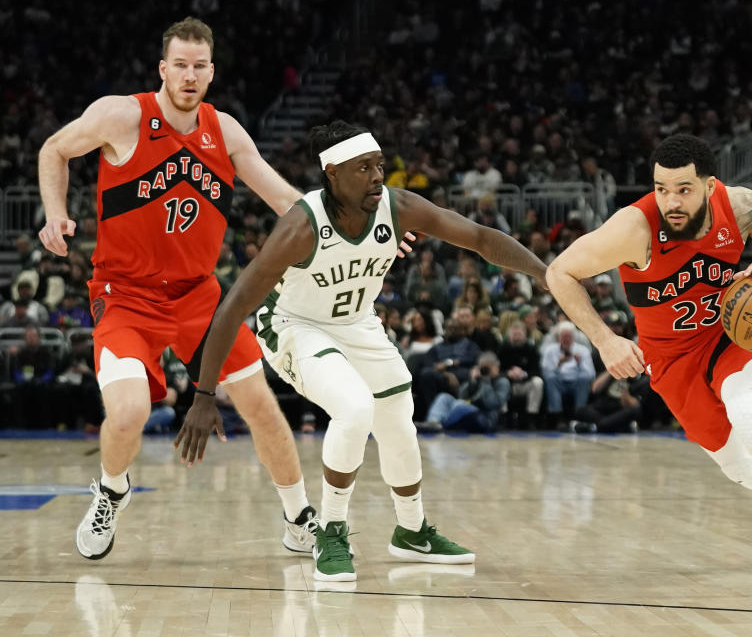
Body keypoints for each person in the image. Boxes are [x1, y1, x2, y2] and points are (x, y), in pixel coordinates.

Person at [178, 120, 548, 582]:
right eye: (364, 168)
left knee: (397, 409)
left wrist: (546, 274)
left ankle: (411, 531)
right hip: (294, 325)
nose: (378, 176)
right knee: (354, 408)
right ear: (332, 173)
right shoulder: (300, 226)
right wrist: (204, 395)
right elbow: (232, 308)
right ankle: (331, 530)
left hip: (354, 321)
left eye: (379, 166)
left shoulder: (399, 207)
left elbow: (478, 237)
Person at [36, 17, 323, 560]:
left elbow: (286, 201)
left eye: (200, 67)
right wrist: (55, 215)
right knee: (126, 413)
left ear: (211, 72)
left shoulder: (226, 130)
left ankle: (298, 516)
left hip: (199, 296)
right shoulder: (121, 115)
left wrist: (352, 228)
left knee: (261, 404)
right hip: (126, 293)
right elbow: (54, 148)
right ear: (162, 69)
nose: (189, 76)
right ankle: (112, 490)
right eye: (180, 66)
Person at [545, 134, 752, 594]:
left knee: (751, 415)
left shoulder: (740, 207)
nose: (670, 201)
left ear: (708, 184)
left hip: (731, 337)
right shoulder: (633, 227)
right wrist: (604, 340)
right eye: (662, 188)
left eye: (683, 189)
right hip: (669, 363)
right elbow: (558, 271)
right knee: (743, 471)